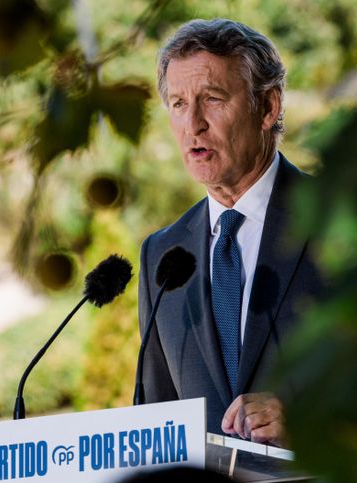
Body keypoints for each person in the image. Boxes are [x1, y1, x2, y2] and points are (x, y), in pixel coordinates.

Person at [136, 18, 324, 445]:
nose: (193, 124)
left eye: (213, 99)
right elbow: (156, 418)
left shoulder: (346, 222)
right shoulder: (161, 256)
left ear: (268, 107)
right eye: (178, 104)